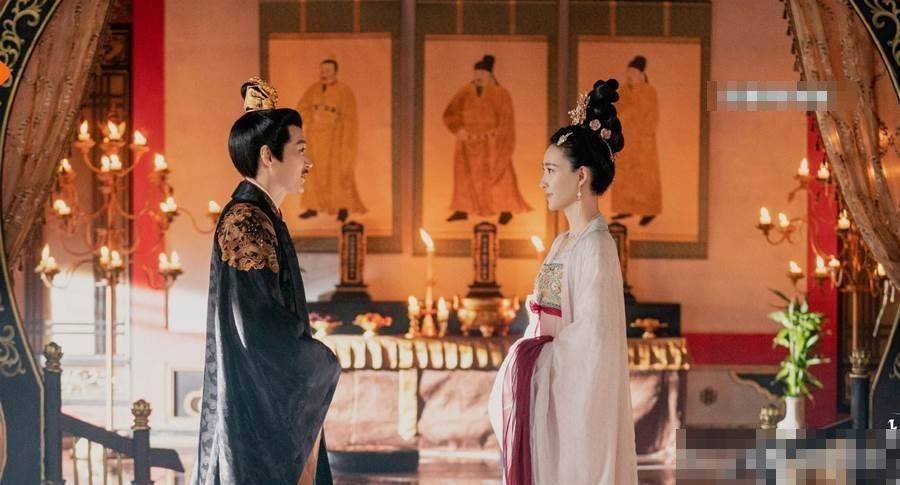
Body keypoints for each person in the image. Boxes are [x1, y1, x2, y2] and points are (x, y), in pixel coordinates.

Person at [488, 79, 638, 484]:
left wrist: (532, 362)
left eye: (551, 170)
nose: (542, 182)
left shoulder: (596, 248)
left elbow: (592, 343)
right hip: (548, 401)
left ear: (581, 175)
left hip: (573, 407)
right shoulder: (562, 243)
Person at [192, 78, 341, 485]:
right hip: (254, 405)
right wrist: (318, 361)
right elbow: (254, 326)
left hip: (259, 397)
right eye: (301, 150)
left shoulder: (262, 215)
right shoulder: (246, 220)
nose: (309, 163)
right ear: (268, 156)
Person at [442, 54, 531, 225]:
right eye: (476, 73)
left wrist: (502, 144)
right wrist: (458, 129)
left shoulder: (501, 94)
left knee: (500, 175)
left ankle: (506, 210)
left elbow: (507, 121)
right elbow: (449, 113)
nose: (478, 77)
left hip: (492, 143)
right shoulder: (465, 91)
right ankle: (462, 209)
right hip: (467, 142)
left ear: (490, 75)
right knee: (464, 177)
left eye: (482, 73)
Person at [296, 58, 365, 223]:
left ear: (335, 72)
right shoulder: (313, 89)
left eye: (327, 71)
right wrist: (311, 119)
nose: (324, 74)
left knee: (337, 173)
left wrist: (337, 125)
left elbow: (350, 119)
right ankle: (312, 207)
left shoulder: (344, 92)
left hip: (335, 139)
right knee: (312, 172)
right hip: (314, 138)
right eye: (322, 71)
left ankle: (342, 208)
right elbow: (302, 108)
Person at [611, 55, 662, 226]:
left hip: (643, 142)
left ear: (641, 74)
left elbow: (651, 117)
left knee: (645, 177)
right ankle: (624, 208)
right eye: (628, 73)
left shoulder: (649, 91)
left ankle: (649, 211)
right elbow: (617, 111)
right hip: (626, 140)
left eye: (632, 73)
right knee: (624, 177)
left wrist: (640, 128)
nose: (629, 76)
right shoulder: (623, 91)